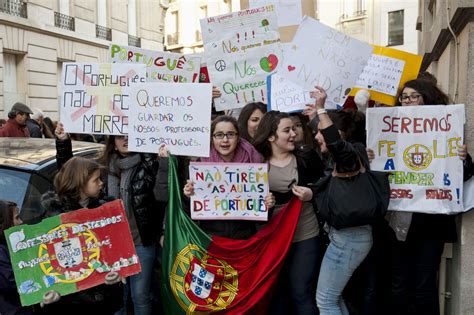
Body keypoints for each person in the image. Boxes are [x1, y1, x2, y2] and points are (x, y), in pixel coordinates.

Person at [382, 78, 473, 315]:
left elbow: (459, 177)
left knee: (424, 285)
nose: (408, 101)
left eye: (414, 96)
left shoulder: (445, 128)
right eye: (404, 97)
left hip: (431, 224)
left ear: (427, 97)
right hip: (397, 220)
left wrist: (463, 159)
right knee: (398, 283)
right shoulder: (390, 130)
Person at [305, 86, 373, 315]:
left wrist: (322, 109)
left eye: (319, 132)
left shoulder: (349, 157)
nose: (315, 136)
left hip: (349, 240)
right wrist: (316, 117)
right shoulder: (344, 157)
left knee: (325, 301)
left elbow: (334, 141)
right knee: (333, 298)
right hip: (346, 238)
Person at [253, 111, 325, 315]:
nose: (293, 133)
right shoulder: (256, 164)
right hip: (271, 238)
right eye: (287, 130)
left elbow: (328, 186)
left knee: (300, 291)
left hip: (305, 234)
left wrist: (312, 193)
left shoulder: (306, 157)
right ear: (270, 136)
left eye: (294, 128)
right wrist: (264, 205)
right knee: (277, 293)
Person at [39, 156, 123, 314]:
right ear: (80, 183)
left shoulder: (103, 210)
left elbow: (113, 249)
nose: (101, 183)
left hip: (103, 295)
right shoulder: (55, 217)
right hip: (72, 301)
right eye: (96, 180)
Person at [97, 134, 169, 315]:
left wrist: (162, 160)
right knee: (119, 296)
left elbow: (163, 193)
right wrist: (62, 142)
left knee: (140, 295)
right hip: (111, 244)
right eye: (120, 136)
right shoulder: (103, 168)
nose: (126, 139)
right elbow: (71, 178)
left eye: (130, 134)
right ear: (112, 142)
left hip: (140, 241)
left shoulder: (148, 164)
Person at [183, 115, 275, 239]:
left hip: (244, 240)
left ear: (238, 138)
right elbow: (189, 214)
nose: (225, 140)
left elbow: (262, 220)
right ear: (212, 139)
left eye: (231, 134)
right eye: (219, 135)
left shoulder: (254, 167)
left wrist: (268, 206)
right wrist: (188, 196)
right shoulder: (199, 166)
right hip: (211, 240)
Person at [0, 200, 32, 315]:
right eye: (17, 218)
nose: (21, 222)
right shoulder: (2, 251)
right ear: (5, 222)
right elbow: (11, 282)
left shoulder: (10, 246)